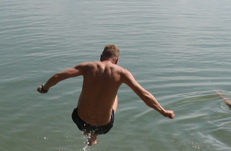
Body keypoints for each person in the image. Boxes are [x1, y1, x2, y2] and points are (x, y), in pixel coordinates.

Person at [37, 45, 174, 145]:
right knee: (114, 97)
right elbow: (144, 94)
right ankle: (94, 138)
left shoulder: (88, 66)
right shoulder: (122, 73)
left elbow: (58, 76)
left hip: (79, 119)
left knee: (88, 92)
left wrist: (45, 88)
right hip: (103, 126)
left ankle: (86, 132)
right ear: (117, 60)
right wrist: (163, 111)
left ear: (101, 57)